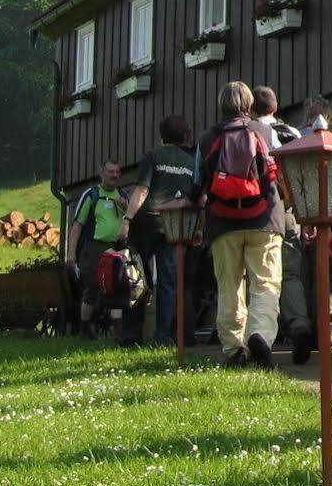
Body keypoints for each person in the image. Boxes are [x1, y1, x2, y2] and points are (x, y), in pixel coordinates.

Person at [198, 81, 288, 367]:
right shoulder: (264, 131)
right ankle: (260, 333)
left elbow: (197, 184)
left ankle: (234, 348)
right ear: (249, 104)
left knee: (229, 285)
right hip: (264, 219)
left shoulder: (207, 138)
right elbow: (281, 173)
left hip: (223, 222)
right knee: (265, 282)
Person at [122, 115, 200, 348]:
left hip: (146, 223)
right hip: (174, 226)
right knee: (169, 282)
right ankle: (163, 336)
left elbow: (142, 191)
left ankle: (132, 335)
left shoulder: (152, 156)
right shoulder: (190, 163)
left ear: (162, 135)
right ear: (185, 136)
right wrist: (197, 228)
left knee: (137, 278)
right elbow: (197, 197)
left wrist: (127, 218)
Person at [251, 86, 316, 364]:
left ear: (252, 109)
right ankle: (299, 323)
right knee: (291, 275)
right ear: (276, 108)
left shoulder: (250, 131)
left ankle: (257, 336)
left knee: (256, 278)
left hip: (257, 213)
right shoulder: (294, 133)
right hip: (289, 213)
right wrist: (307, 217)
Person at [65, 159, 129, 336]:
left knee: (118, 285)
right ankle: (85, 327)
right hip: (94, 248)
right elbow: (77, 225)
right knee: (92, 288)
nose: (115, 175)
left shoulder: (123, 196)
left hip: (116, 248)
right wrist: (71, 254)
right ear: (102, 174)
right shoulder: (91, 195)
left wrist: (126, 208)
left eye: (117, 172)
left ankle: (118, 330)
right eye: (111, 172)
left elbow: (131, 221)